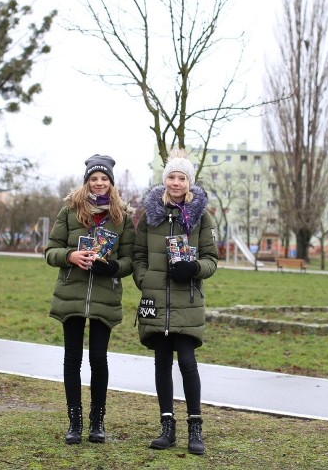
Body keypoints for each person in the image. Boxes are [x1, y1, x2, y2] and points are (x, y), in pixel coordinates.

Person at [133, 149, 218, 455]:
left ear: (190, 182)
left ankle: (196, 427)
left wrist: (194, 269)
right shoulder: (149, 217)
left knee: (186, 362)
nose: (177, 182)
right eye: (172, 176)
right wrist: (144, 279)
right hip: (155, 300)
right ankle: (167, 427)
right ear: (164, 179)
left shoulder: (200, 218)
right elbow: (138, 255)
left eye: (182, 177)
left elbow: (211, 259)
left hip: (187, 301)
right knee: (161, 363)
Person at [45, 154, 134, 445]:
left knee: (98, 358)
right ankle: (75, 422)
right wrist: (69, 256)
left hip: (104, 296)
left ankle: (97, 422)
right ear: (86, 182)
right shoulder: (69, 212)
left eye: (104, 179)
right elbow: (50, 251)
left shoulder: (122, 217)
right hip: (72, 293)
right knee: (72, 359)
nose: (99, 183)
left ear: (111, 183)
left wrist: (113, 267)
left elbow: (130, 260)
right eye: (94, 179)